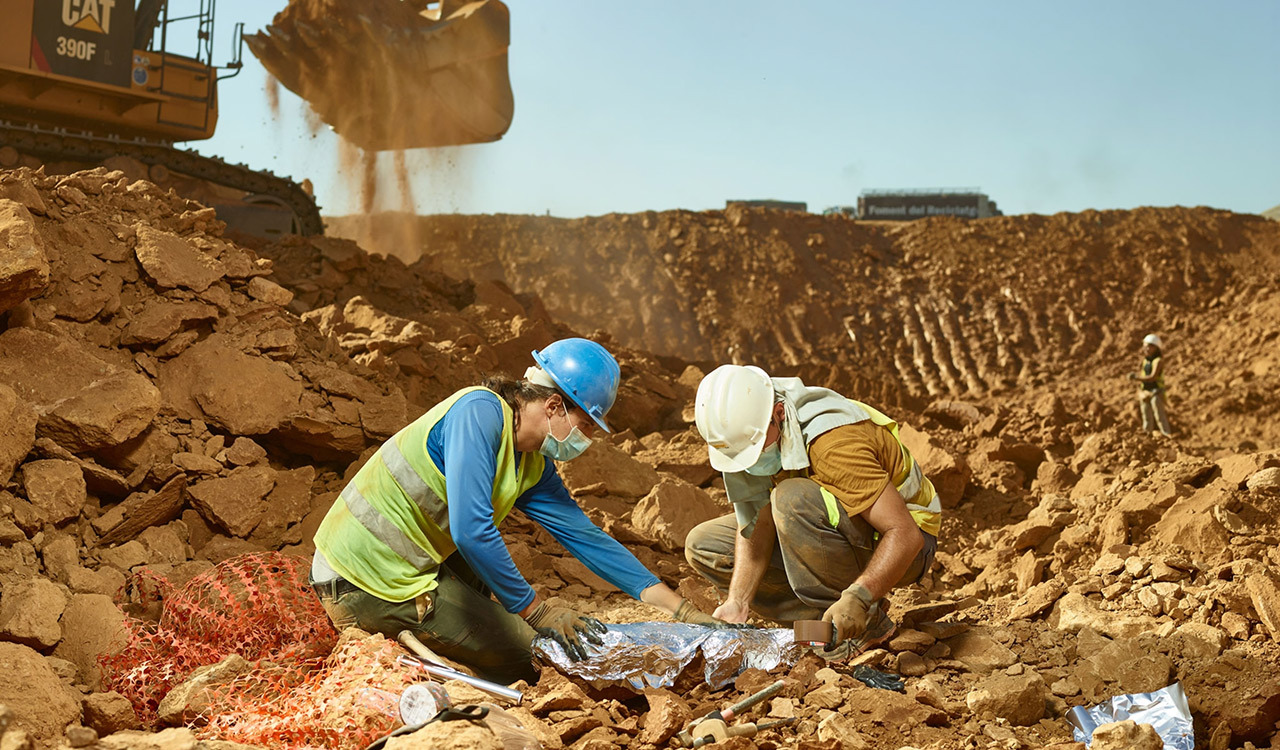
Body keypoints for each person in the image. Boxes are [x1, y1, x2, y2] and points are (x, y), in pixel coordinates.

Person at [310, 338, 723, 684]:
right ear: (555, 406)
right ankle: (406, 637)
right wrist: (536, 610)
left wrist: (682, 610)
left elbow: (587, 538)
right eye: (589, 425)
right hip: (360, 581)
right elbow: (472, 531)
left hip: (401, 565)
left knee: (499, 603)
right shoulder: (479, 413)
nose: (588, 438)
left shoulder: (532, 462)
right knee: (535, 654)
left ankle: (451, 635)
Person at [685, 365, 940, 657]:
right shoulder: (747, 437)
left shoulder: (833, 441)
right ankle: (825, 628)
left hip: (905, 546)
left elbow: (905, 535)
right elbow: (757, 525)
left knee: (791, 499)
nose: (748, 462)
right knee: (705, 545)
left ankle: (860, 622)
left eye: (753, 450)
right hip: (836, 527)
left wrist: (858, 597)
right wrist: (737, 602)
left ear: (779, 414)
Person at [1129, 333, 1172, 436]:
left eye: (1150, 346)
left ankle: (1167, 436)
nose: (1147, 348)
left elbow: (1153, 377)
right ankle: (1147, 438)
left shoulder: (1158, 361)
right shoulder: (1146, 361)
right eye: (1146, 346)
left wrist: (1136, 378)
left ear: (1156, 348)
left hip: (1156, 392)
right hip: (1146, 392)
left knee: (1159, 416)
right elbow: (1144, 375)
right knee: (1146, 417)